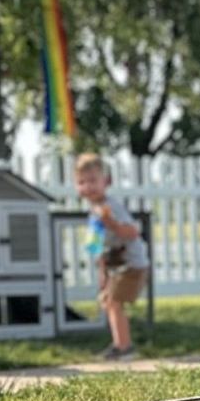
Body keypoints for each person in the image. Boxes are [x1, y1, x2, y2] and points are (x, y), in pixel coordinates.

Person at [74, 152, 148, 361]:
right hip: (115, 264)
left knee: (114, 302)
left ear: (106, 181)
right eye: (81, 182)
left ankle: (125, 348)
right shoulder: (94, 209)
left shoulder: (110, 206)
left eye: (93, 181)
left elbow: (132, 233)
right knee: (108, 301)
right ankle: (120, 345)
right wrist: (102, 272)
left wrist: (111, 223)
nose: (88, 186)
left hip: (131, 263)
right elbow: (100, 246)